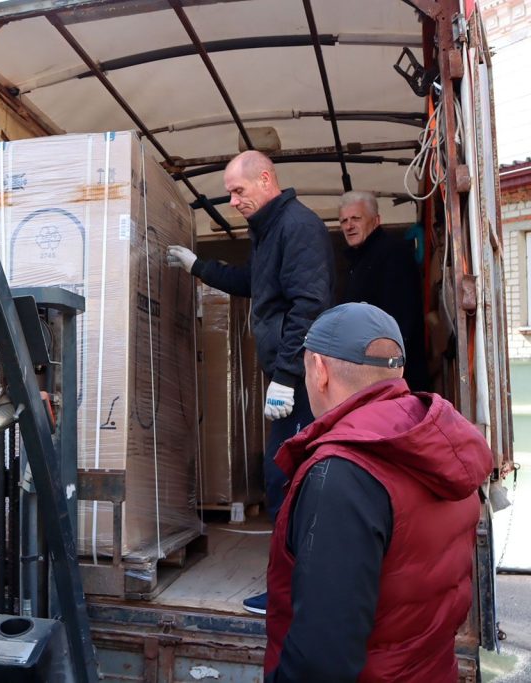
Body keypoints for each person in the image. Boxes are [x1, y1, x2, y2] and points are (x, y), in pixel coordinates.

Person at [264, 302, 492, 682]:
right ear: (396, 371)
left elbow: (321, 662)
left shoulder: (341, 475)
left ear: (320, 370)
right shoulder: (442, 445)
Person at [167, 150, 334, 615]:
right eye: (229, 193)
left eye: (238, 190)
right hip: (291, 376)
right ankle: (295, 588)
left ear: (265, 179)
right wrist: (198, 266)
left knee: (288, 479)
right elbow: (252, 284)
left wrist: (286, 376)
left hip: (303, 381)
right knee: (285, 476)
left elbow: (309, 305)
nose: (233, 201)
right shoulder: (268, 230)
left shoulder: (297, 227)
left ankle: (294, 594)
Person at [339, 190, 431, 391]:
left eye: (356, 218)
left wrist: (385, 370)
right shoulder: (358, 260)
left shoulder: (393, 254)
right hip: (372, 375)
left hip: (393, 378)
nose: (349, 226)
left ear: (376, 220)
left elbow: (401, 320)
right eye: (344, 221)